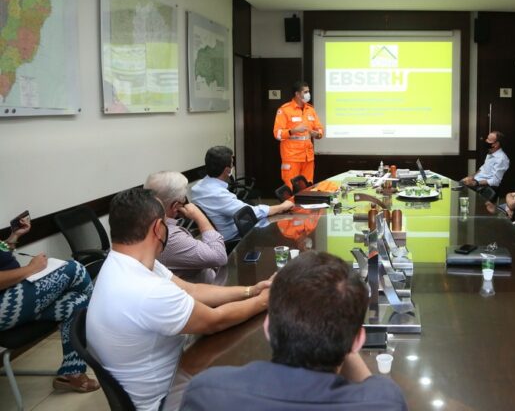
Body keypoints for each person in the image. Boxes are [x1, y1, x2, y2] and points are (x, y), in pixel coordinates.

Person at [87, 188, 273, 411]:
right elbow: (215, 320)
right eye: (166, 222)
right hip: (163, 401)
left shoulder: (125, 262)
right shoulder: (146, 290)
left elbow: (192, 290)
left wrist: (252, 290)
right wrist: (266, 300)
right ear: (158, 228)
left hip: (172, 370)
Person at [181, 251, 407, 410]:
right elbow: (371, 385)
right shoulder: (384, 401)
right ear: (357, 342)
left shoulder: (207, 392)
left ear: (268, 327)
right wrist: (343, 333)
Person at [0, 215, 99, 393]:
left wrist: (13, 237)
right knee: (73, 269)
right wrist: (31, 269)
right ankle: (106, 330)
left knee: (77, 301)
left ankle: (72, 373)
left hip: (16, 299)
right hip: (5, 306)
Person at [189, 146, 294, 242]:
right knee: (278, 234)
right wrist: (281, 206)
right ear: (227, 170)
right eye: (232, 163)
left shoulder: (196, 188)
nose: (233, 166)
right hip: (231, 239)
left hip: (212, 235)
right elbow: (251, 213)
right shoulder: (218, 194)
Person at [145, 171, 228, 283]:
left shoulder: (144, 223)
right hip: (208, 293)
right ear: (176, 206)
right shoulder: (169, 236)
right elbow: (219, 256)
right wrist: (199, 217)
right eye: (184, 199)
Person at [273, 81, 324, 187]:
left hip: (308, 157)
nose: (308, 94)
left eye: (308, 91)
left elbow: (319, 129)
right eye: (305, 92)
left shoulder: (310, 110)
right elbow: (277, 134)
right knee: (292, 189)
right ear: (297, 94)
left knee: (307, 187)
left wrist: (317, 134)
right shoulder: (284, 110)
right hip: (292, 157)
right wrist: (293, 131)